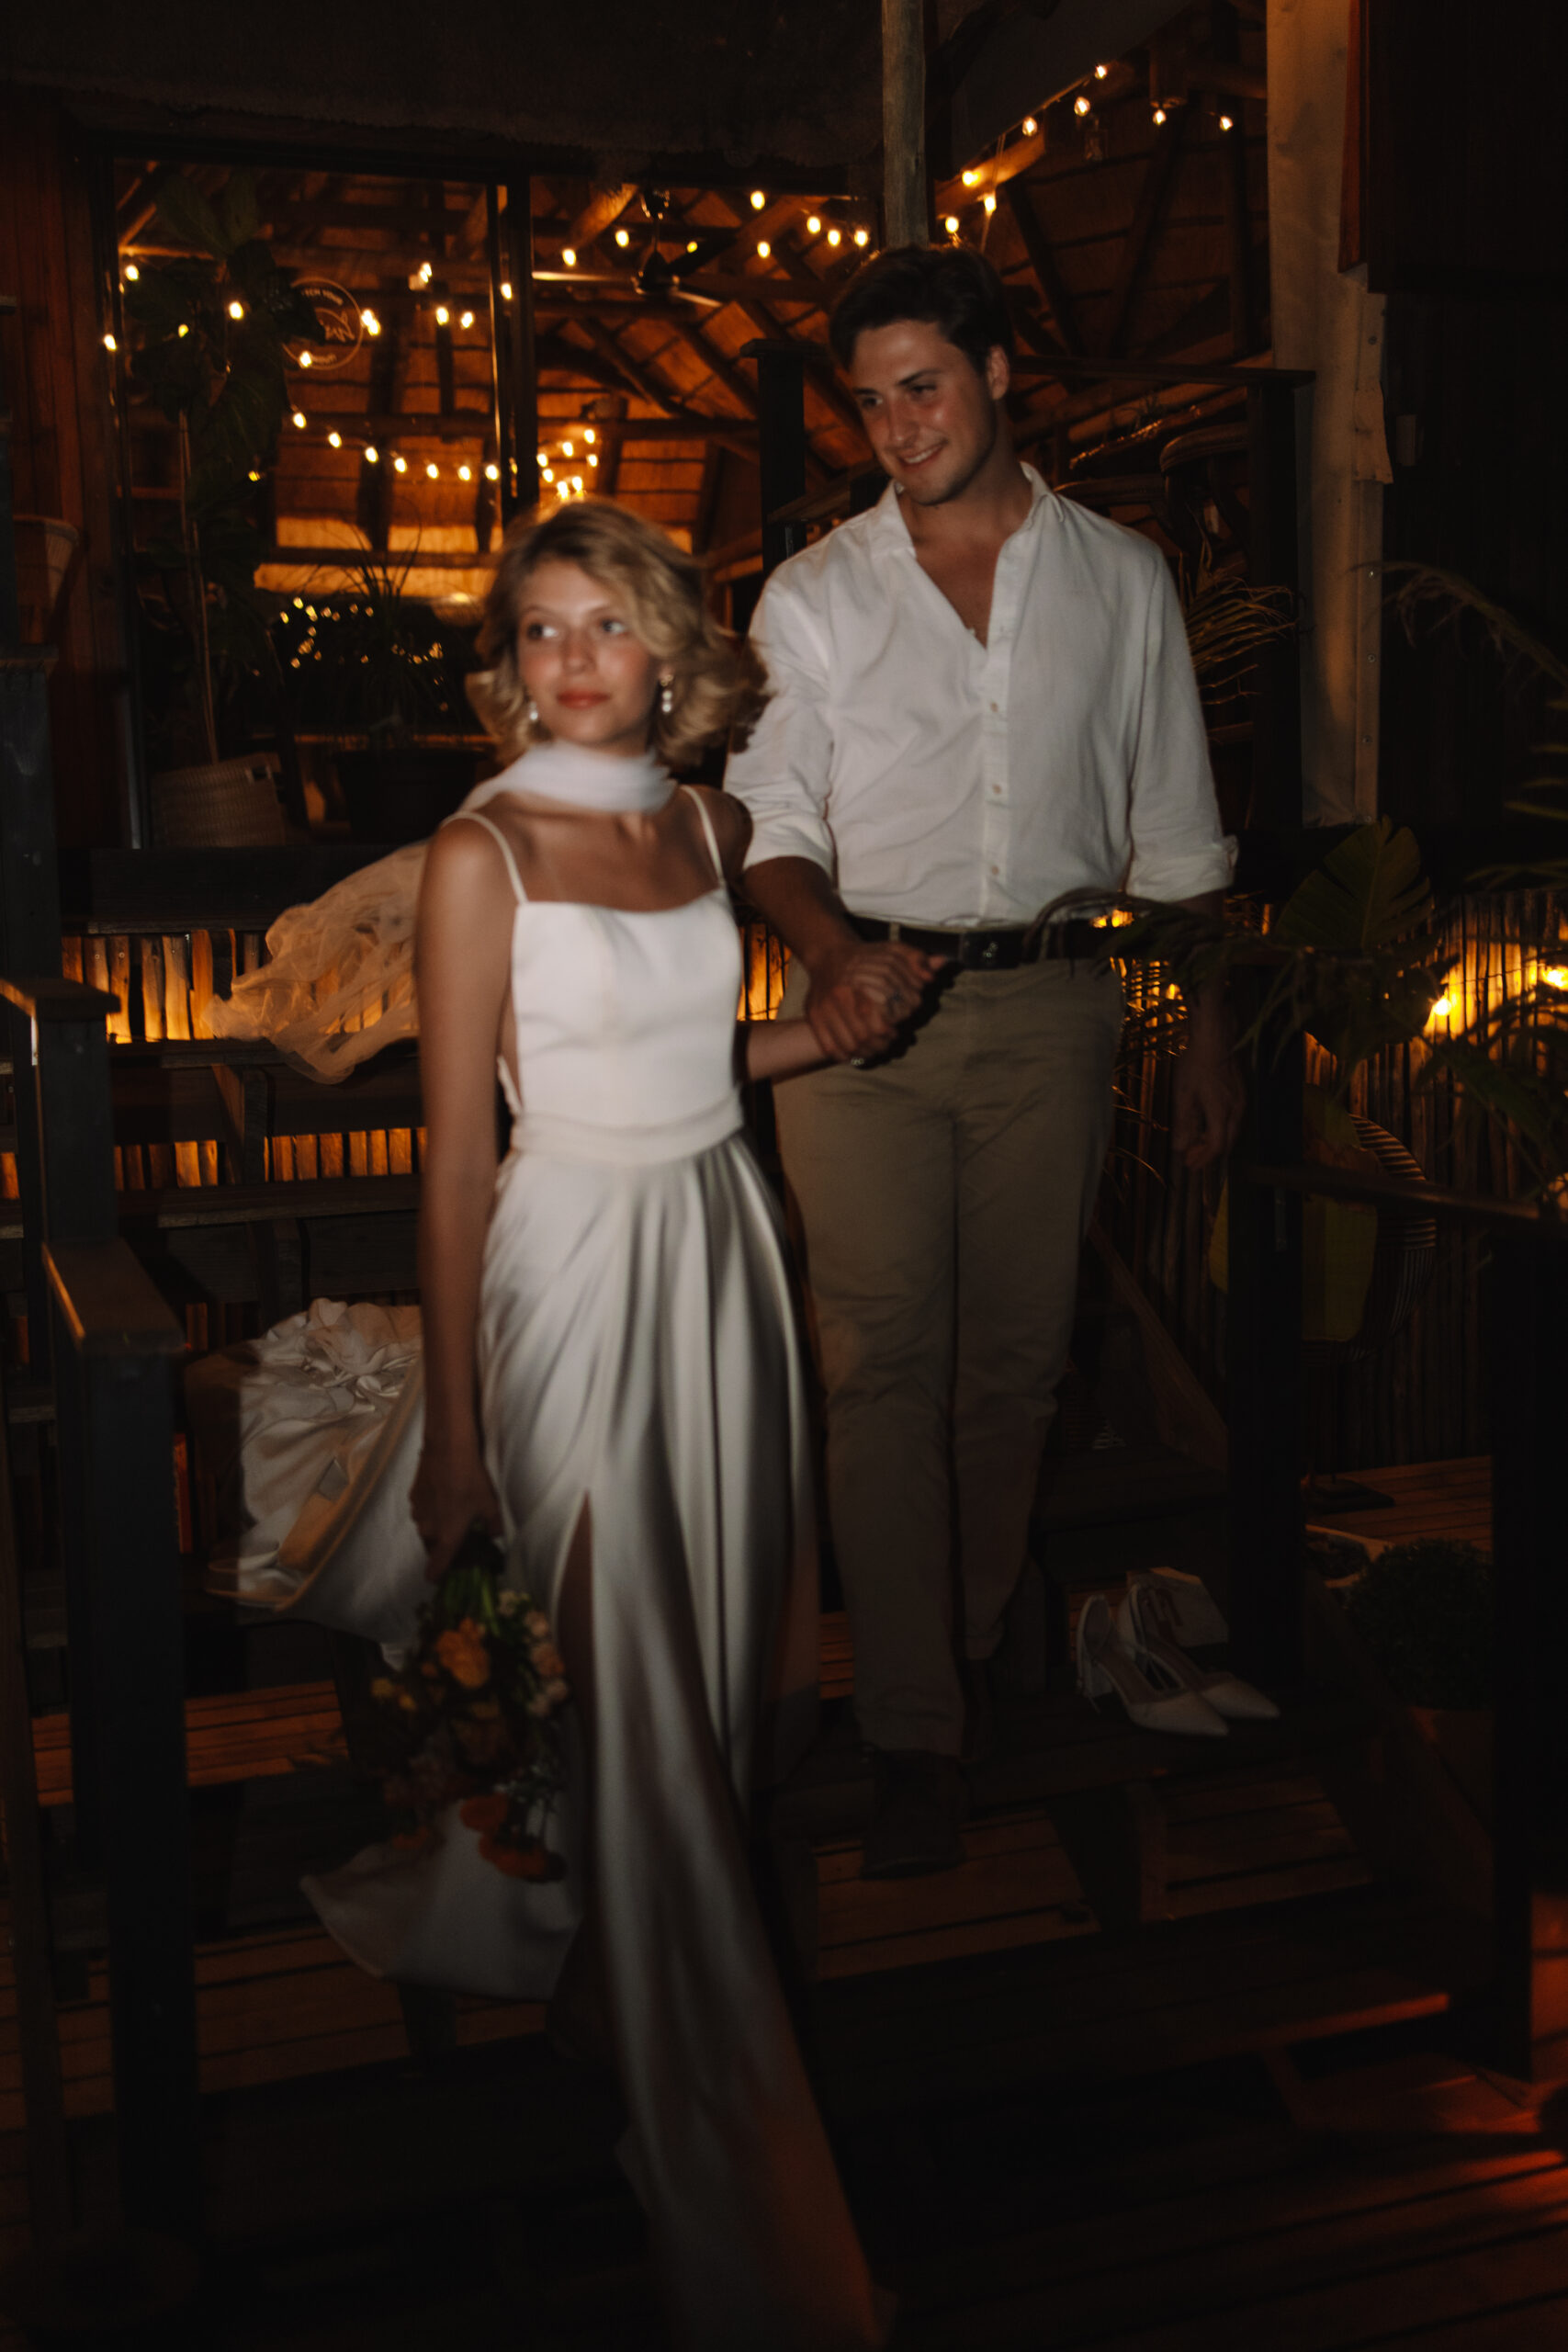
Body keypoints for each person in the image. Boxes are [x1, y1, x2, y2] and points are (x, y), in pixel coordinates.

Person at [303, 501, 913, 2349]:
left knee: (716, 1676)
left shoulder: (703, 824)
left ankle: (581, 1958)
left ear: (670, 651)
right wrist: (460, 1431)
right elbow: (460, 1147)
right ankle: (717, 2156)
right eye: (541, 628)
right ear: (516, 657)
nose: (571, 658)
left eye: (607, 624)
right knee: (627, 1682)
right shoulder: (477, 848)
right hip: (565, 1266)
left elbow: (688, 1060)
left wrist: (838, 1026)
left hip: (719, 1248)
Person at [726, 243, 1243, 1882]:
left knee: (1015, 1366)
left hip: (1055, 1007)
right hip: (858, 1018)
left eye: (922, 386)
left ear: (1002, 370)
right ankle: (914, 1730)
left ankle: (944, 1642)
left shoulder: (1126, 580)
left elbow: (1173, 833)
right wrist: (830, 960)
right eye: (870, 402)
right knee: (880, 1369)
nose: (894, 427)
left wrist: (1210, 1024)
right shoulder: (811, 596)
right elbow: (770, 824)